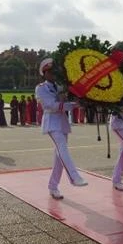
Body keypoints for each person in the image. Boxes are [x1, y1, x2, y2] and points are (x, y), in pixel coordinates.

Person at [35, 58, 88, 200]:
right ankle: (74, 177)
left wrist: (78, 101)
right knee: (62, 148)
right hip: (51, 122)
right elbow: (50, 105)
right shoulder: (41, 88)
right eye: (50, 72)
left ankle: (53, 186)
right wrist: (72, 105)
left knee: (59, 157)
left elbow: (67, 99)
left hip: (62, 122)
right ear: (44, 73)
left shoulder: (60, 86)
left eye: (54, 72)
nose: (53, 74)